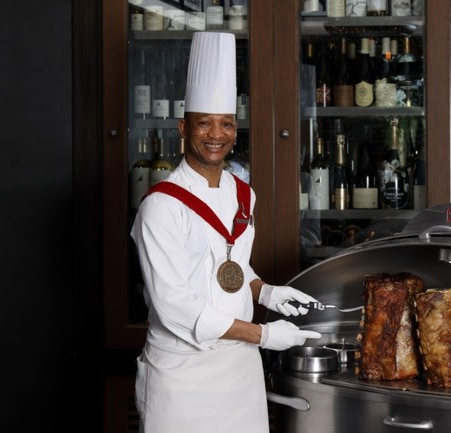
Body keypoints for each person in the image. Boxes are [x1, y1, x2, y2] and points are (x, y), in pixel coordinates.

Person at [130, 32, 321, 433]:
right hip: (181, 373)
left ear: (235, 130)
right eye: (204, 123)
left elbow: (228, 264)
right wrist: (262, 334)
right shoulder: (161, 207)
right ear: (183, 127)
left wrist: (264, 291)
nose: (216, 135)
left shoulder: (242, 193)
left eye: (226, 124)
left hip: (240, 370)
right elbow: (174, 305)